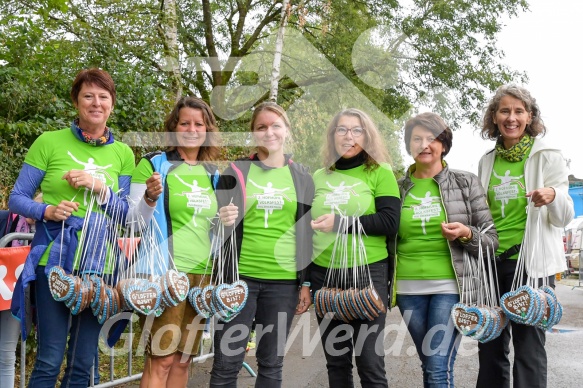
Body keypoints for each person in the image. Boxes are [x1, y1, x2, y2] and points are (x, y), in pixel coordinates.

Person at [8, 68, 135, 387]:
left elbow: (124, 214)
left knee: (82, 362)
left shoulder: (123, 153)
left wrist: (100, 188)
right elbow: (17, 197)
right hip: (53, 262)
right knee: (49, 359)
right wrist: (47, 210)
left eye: (103, 96)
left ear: (112, 103)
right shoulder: (49, 142)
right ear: (76, 102)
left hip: (99, 268)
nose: (96, 103)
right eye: (88, 96)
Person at [476, 84, 574, 388]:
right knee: (490, 343)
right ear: (494, 116)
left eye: (519, 111)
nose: (511, 117)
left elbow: (565, 215)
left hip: (531, 265)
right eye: (504, 110)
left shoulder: (547, 156)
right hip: (491, 264)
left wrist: (553, 195)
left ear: (530, 116)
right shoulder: (486, 161)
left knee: (529, 346)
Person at [211, 101, 313, 387]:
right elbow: (214, 226)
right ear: (254, 133)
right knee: (226, 361)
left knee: (271, 362)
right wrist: (221, 219)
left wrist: (306, 283)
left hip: (283, 283)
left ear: (287, 131)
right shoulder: (235, 171)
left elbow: (307, 233)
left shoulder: (302, 176)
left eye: (276, 125)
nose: (269, 132)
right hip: (238, 280)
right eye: (261, 127)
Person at [395, 112, 498, 387]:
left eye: (432, 138)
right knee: (431, 363)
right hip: (407, 289)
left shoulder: (466, 183)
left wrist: (466, 234)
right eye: (417, 139)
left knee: (437, 366)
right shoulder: (397, 189)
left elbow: (491, 239)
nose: (424, 144)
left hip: (450, 287)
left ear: (444, 144)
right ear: (409, 145)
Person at [128, 96, 220, 387]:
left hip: (202, 277)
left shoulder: (214, 173)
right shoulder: (153, 163)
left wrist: (226, 220)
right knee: (161, 359)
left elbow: (211, 228)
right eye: (185, 123)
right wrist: (149, 197)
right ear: (173, 126)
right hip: (163, 273)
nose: (192, 129)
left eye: (199, 123)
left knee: (183, 360)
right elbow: (131, 221)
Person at [309, 108, 401, 387]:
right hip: (324, 274)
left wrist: (340, 223)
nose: (348, 136)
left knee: (370, 362)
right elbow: (304, 228)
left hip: (368, 272)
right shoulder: (317, 176)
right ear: (332, 136)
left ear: (367, 136)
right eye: (342, 129)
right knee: (336, 362)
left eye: (356, 130)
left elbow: (389, 221)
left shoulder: (380, 172)